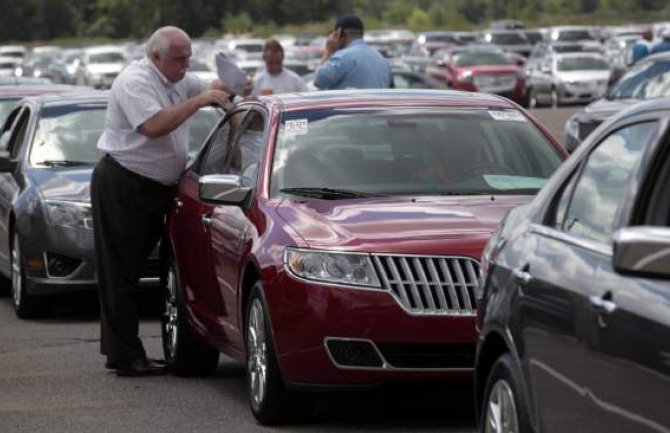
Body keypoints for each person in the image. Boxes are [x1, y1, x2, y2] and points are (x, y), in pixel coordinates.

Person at [91, 26, 229, 377]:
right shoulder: (134, 81)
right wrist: (200, 101)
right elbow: (153, 126)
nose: (186, 65)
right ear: (156, 57)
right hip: (125, 182)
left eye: (189, 58)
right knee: (121, 273)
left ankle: (124, 351)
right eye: (179, 59)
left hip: (158, 186)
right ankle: (124, 356)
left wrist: (229, 88)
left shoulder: (177, 78)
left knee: (144, 270)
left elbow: (213, 88)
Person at [313, 13, 392, 90]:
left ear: (340, 33)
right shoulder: (381, 58)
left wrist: (328, 52)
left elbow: (319, 80)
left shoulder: (343, 57)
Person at [243, 39, 308, 96]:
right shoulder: (257, 82)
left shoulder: (295, 80)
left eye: (278, 62)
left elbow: (306, 100)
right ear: (264, 59)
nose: (274, 66)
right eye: (270, 63)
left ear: (283, 58)